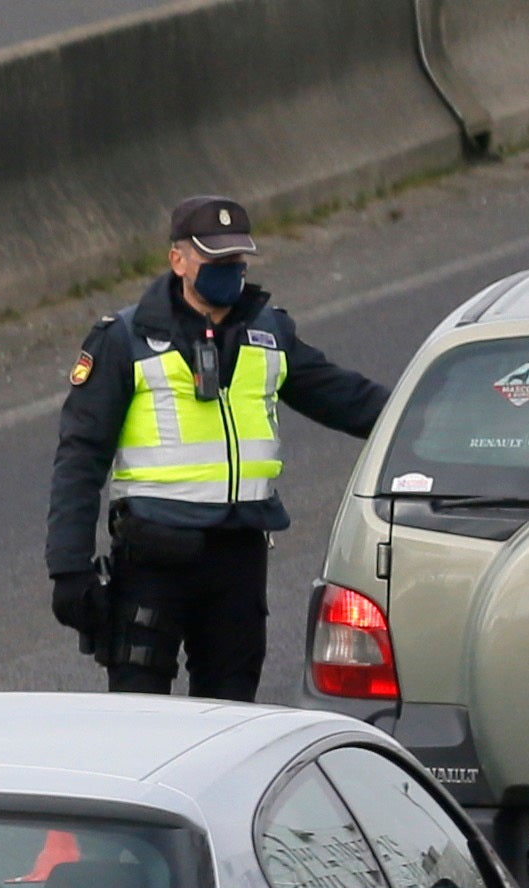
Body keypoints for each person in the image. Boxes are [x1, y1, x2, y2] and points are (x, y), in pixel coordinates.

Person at [46, 194, 388, 699]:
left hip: (238, 558)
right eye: (214, 258)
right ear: (178, 260)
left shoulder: (269, 332)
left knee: (232, 718)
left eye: (236, 258)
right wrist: (69, 568)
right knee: (141, 718)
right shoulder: (125, 340)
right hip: (154, 557)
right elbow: (80, 457)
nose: (229, 269)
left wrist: (424, 415)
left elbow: (347, 399)